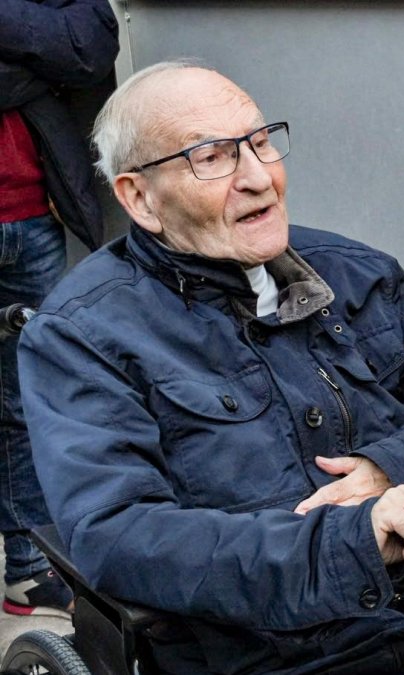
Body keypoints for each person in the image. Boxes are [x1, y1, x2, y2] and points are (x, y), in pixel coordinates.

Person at [18, 61, 404, 674]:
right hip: (265, 648)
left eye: (261, 142)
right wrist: (353, 539)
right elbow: (120, 534)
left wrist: (391, 469)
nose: (259, 177)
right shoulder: (83, 335)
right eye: (212, 157)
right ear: (140, 198)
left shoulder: (355, 273)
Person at [0, 0, 118, 617]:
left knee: (31, 399)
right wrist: (32, 66)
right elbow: (54, 52)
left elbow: (89, 46)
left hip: (31, 219)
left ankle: (27, 568)